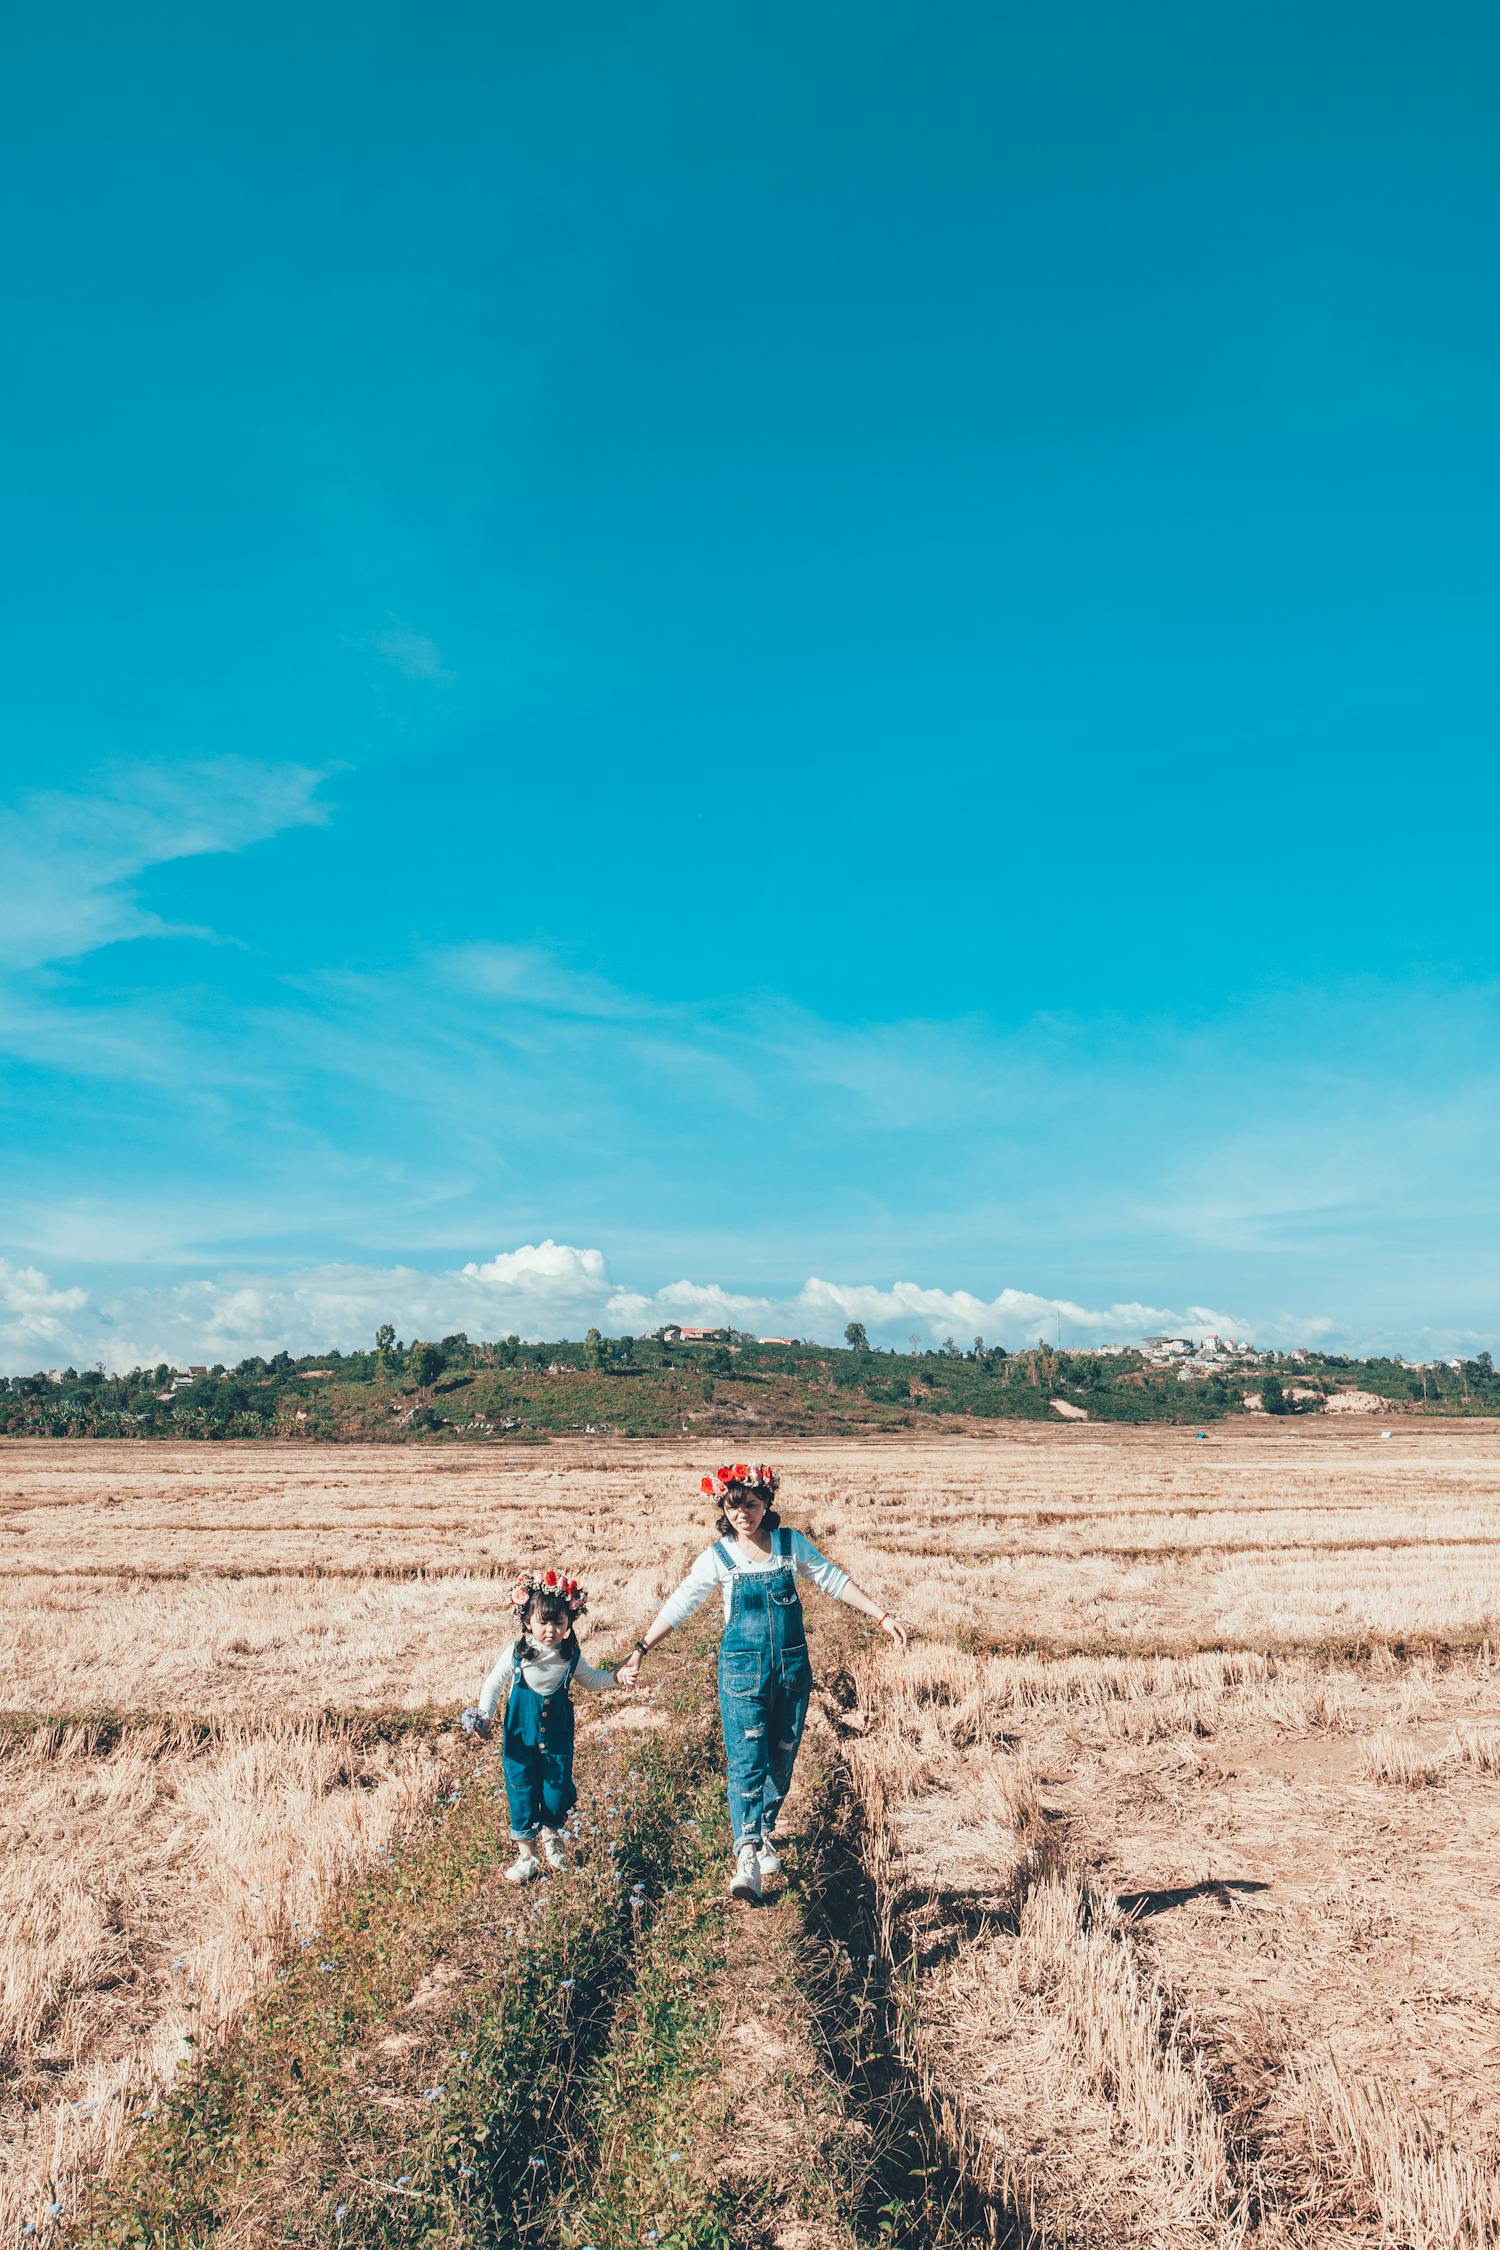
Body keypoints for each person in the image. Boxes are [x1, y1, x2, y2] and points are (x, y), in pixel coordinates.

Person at [615, 1463, 907, 1902]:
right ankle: (747, 1856)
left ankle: (764, 1828)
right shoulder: (718, 1557)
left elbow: (831, 1578)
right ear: (723, 1508)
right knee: (747, 1760)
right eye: (733, 1507)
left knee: (782, 1757)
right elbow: (682, 1602)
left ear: (766, 1503)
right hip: (741, 1673)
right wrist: (641, 1647)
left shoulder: (790, 1544)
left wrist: (881, 1616)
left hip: (791, 1671)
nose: (742, 1515)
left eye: (750, 1505)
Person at [462, 1569, 622, 1883]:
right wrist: (485, 1715)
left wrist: (617, 1677)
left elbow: (591, 1681)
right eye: (542, 1622)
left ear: (569, 1623)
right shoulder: (516, 1654)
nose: (550, 1630)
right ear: (527, 1621)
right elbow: (494, 1685)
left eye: (558, 1623)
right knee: (521, 1792)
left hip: (558, 1740)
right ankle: (527, 1856)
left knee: (556, 1792)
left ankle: (552, 1833)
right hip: (519, 1740)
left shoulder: (570, 1656)